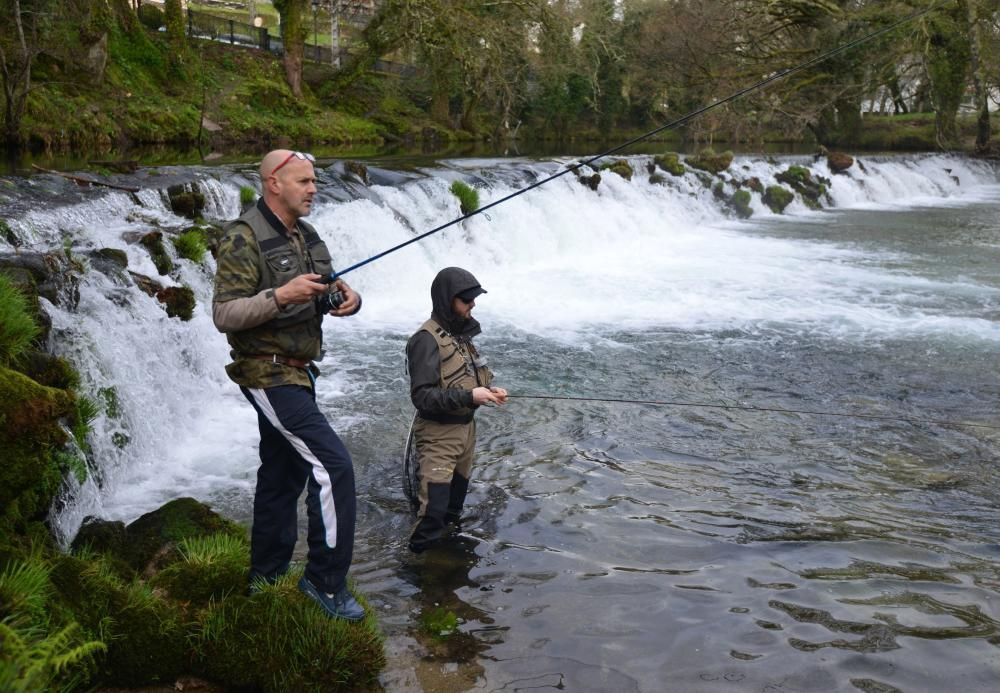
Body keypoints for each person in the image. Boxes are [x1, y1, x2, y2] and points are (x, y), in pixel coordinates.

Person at [212, 149, 365, 621]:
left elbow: (333, 286)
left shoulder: (308, 234)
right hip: (268, 372)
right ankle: (324, 583)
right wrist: (279, 296)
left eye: (314, 181)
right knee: (333, 467)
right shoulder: (242, 239)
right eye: (304, 181)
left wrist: (350, 299)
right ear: (273, 184)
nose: (313, 188)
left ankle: (266, 576)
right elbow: (225, 315)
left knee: (282, 477)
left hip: (300, 370)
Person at [406, 267, 508, 553]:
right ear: (447, 300)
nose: (472, 305)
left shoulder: (460, 334)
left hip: (466, 432)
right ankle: (416, 575)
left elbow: (473, 376)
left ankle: (444, 565)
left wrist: (491, 390)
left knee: (453, 508)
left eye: (473, 300)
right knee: (433, 512)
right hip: (439, 436)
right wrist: (469, 396)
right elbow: (422, 397)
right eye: (466, 300)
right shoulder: (425, 340)